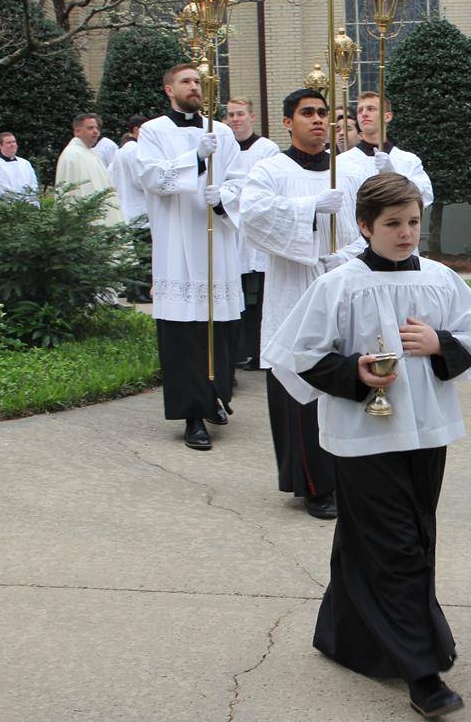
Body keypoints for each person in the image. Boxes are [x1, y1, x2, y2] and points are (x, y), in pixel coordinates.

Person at [266, 173, 471, 719]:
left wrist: (441, 344)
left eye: (413, 222)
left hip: (426, 432)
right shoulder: (339, 285)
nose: (406, 233)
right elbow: (299, 355)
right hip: (364, 437)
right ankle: (421, 669)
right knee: (396, 546)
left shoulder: (439, 279)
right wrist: (356, 372)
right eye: (393, 224)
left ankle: (347, 636)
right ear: (364, 227)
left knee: (401, 535)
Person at [233, 88, 351, 519]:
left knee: (341, 383)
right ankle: (313, 484)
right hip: (293, 288)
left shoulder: (345, 172)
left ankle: (345, 478)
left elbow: (364, 226)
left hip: (339, 286)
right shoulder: (270, 170)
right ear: (288, 122)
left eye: (323, 113)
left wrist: (350, 257)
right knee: (301, 386)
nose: (318, 120)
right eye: (307, 113)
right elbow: (255, 218)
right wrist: (310, 209)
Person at [136, 63, 245, 451]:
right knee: (185, 335)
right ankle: (192, 416)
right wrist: (196, 159)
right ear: (169, 89)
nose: (195, 87)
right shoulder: (153, 131)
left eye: (198, 81)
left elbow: (240, 181)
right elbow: (151, 178)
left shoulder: (222, 132)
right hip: (177, 246)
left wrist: (225, 199)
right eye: (186, 81)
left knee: (220, 330)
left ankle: (215, 396)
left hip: (216, 245)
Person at [225, 96, 281, 372]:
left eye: (240, 114)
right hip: (231, 233)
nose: (235, 119)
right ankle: (239, 351)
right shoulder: (224, 148)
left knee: (257, 297)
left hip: (256, 236)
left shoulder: (267, 149)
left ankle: (261, 352)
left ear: (251, 116)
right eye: (230, 115)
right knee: (237, 298)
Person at [335, 92, 433, 214]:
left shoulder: (408, 160)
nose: (364, 114)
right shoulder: (342, 161)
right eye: (360, 111)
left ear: (387, 116)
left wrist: (395, 176)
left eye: (371, 109)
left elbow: (426, 197)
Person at [111, 114, 153, 303]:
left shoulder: (120, 151)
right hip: (140, 212)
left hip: (127, 210)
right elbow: (141, 179)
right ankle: (140, 292)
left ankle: (132, 290)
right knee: (143, 257)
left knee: (133, 256)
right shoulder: (135, 150)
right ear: (136, 130)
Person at [56, 113, 123, 224]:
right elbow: (70, 193)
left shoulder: (90, 153)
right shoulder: (71, 155)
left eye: (97, 128)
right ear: (78, 131)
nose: (96, 131)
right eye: (90, 128)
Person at [0, 132, 40, 203]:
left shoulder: (25, 163)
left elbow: (33, 185)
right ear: (0, 146)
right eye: (8, 142)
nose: (12, 145)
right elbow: (1, 189)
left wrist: (31, 201)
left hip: (28, 206)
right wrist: (19, 204)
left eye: (14, 142)